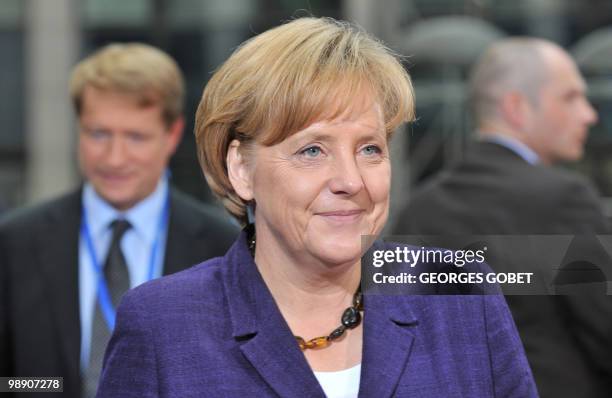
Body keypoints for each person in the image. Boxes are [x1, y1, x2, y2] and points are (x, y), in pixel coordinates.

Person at [96, 18, 536, 397]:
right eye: (312, 151)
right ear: (241, 169)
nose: (350, 181)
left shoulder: (459, 296)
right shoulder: (163, 325)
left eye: (369, 149)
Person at [0, 43, 238, 397]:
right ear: (79, 129)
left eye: (135, 137)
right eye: (99, 134)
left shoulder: (224, 246)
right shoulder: (15, 242)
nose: (114, 158)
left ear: (172, 135)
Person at [394, 38, 612, 397]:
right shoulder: (563, 199)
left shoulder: (418, 211)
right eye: (570, 97)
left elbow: (402, 340)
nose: (589, 114)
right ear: (517, 107)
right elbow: (605, 330)